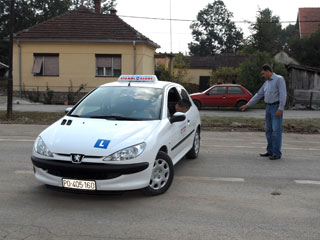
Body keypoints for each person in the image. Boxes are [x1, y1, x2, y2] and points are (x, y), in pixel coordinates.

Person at [240, 64, 287, 160]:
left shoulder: (279, 79)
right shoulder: (267, 83)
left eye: (263, 73)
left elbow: (283, 94)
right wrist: (247, 105)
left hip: (276, 107)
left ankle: (277, 153)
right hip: (268, 108)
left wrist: (280, 108)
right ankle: (270, 151)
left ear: (268, 71)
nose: (262, 75)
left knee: (276, 131)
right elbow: (258, 94)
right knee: (268, 131)